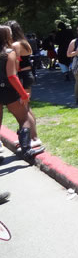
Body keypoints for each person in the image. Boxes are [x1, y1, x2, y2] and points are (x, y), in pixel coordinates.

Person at [0, 25, 45, 158]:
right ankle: (26, 150)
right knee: (24, 118)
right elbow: (12, 76)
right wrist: (23, 94)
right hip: (8, 90)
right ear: (7, 36)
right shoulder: (9, 53)